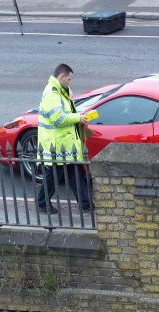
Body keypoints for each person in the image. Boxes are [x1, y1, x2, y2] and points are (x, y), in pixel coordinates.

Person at [35, 63, 94, 215]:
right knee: (54, 176)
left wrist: (79, 117)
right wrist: (78, 118)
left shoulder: (62, 91)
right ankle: (42, 203)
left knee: (74, 173)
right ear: (62, 77)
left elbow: (68, 112)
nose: (70, 82)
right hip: (57, 144)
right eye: (69, 79)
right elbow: (58, 118)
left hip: (64, 144)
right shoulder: (52, 93)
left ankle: (86, 204)